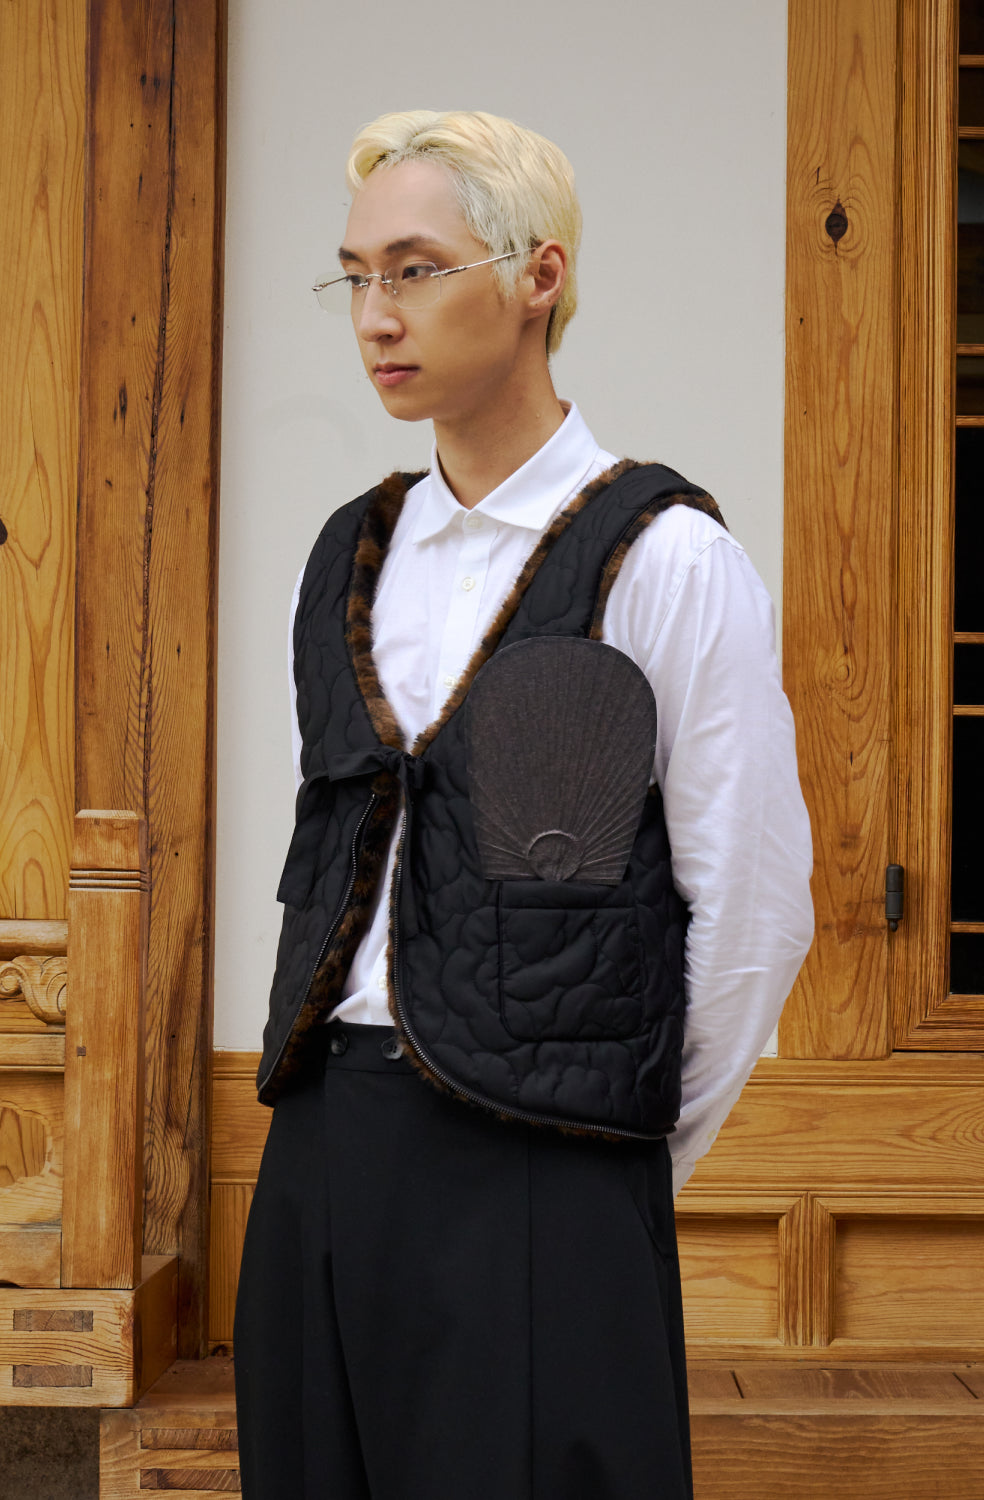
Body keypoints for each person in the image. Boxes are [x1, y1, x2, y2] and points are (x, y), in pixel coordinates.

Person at [233, 109, 813, 1500]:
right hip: (323, 1144)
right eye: (356, 276)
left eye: (417, 269)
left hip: (546, 1170)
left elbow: (751, 912)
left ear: (538, 276)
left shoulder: (665, 558)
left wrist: (612, 1174)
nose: (376, 315)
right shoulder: (351, 555)